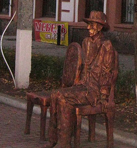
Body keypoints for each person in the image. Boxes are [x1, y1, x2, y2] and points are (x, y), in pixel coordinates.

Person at [45, 11, 117, 148]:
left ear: (100, 27)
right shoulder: (86, 42)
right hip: (83, 86)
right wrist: (78, 82)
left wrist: (104, 96)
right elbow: (83, 68)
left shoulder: (106, 45)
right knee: (55, 95)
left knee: (63, 98)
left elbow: (107, 72)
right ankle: (54, 140)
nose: (88, 28)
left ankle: (64, 144)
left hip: (94, 91)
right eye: (88, 25)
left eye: (92, 25)